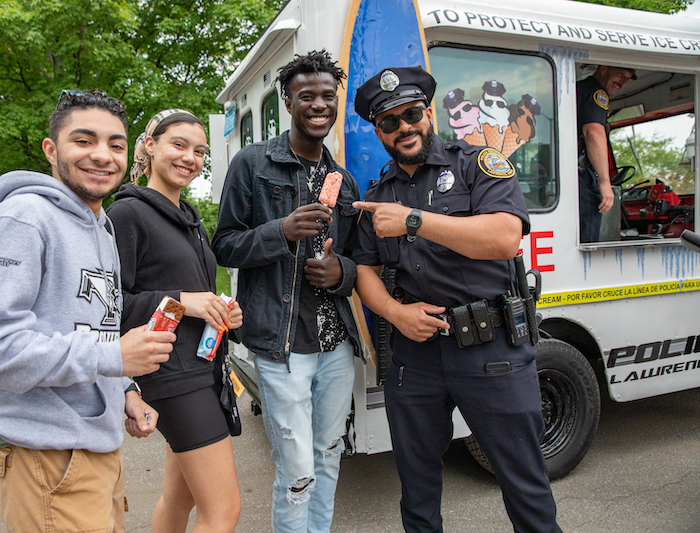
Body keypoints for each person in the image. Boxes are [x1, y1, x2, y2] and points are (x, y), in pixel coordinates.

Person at [0, 90, 175, 533]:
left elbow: (96, 326)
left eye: (115, 144)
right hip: (44, 456)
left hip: (96, 449)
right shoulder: (24, 217)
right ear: (51, 149)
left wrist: (125, 388)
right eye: (84, 141)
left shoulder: (102, 225)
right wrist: (111, 359)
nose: (102, 155)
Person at [350, 66, 562, 533]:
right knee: (417, 489)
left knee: (524, 485)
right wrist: (393, 312)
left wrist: (413, 220)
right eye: (389, 122)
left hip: (492, 352)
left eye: (411, 114)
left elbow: (505, 237)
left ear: (429, 113)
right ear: (378, 131)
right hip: (415, 357)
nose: (403, 127)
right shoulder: (378, 194)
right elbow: (363, 268)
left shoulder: (477, 164)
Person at [212, 50, 362, 533]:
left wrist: (341, 273)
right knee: (297, 471)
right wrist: (282, 230)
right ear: (287, 101)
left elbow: (361, 262)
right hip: (282, 347)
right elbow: (225, 246)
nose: (319, 104)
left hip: (335, 345)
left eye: (327, 96)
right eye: (307, 96)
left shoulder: (344, 180)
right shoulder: (253, 165)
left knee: (328, 455)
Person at [106, 109, 243, 533]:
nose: (190, 157)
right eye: (178, 145)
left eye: (199, 150)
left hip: (203, 366)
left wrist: (221, 312)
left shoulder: (189, 216)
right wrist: (187, 302)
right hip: (172, 377)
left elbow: (193, 294)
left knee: (178, 499)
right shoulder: (127, 214)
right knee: (223, 511)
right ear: (150, 145)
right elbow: (113, 306)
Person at [577, 65, 636, 242]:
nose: (623, 82)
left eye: (627, 78)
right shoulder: (596, 94)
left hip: (565, 174)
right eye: (620, 73)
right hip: (580, 176)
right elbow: (593, 134)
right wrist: (604, 182)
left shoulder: (578, 89)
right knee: (587, 241)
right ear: (603, 68)